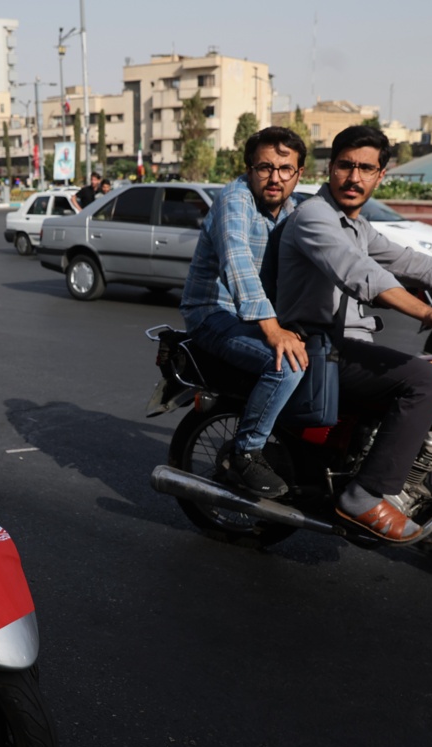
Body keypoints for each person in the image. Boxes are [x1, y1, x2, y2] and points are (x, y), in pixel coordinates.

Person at [276, 125, 432, 548]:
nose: (354, 178)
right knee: (425, 382)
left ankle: (426, 512)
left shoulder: (356, 224)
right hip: (314, 347)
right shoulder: (313, 217)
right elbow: (363, 274)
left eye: (366, 169)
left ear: (381, 175)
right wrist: (431, 311)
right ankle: (362, 496)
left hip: (344, 347)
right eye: (346, 166)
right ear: (330, 168)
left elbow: (412, 262)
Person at [180, 126, 309, 496]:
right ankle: (246, 453)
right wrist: (273, 330)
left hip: (255, 317)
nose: (275, 177)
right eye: (265, 167)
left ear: (299, 174)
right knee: (286, 365)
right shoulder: (234, 199)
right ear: (249, 169)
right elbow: (236, 261)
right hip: (213, 314)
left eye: (285, 168)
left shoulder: (294, 209)